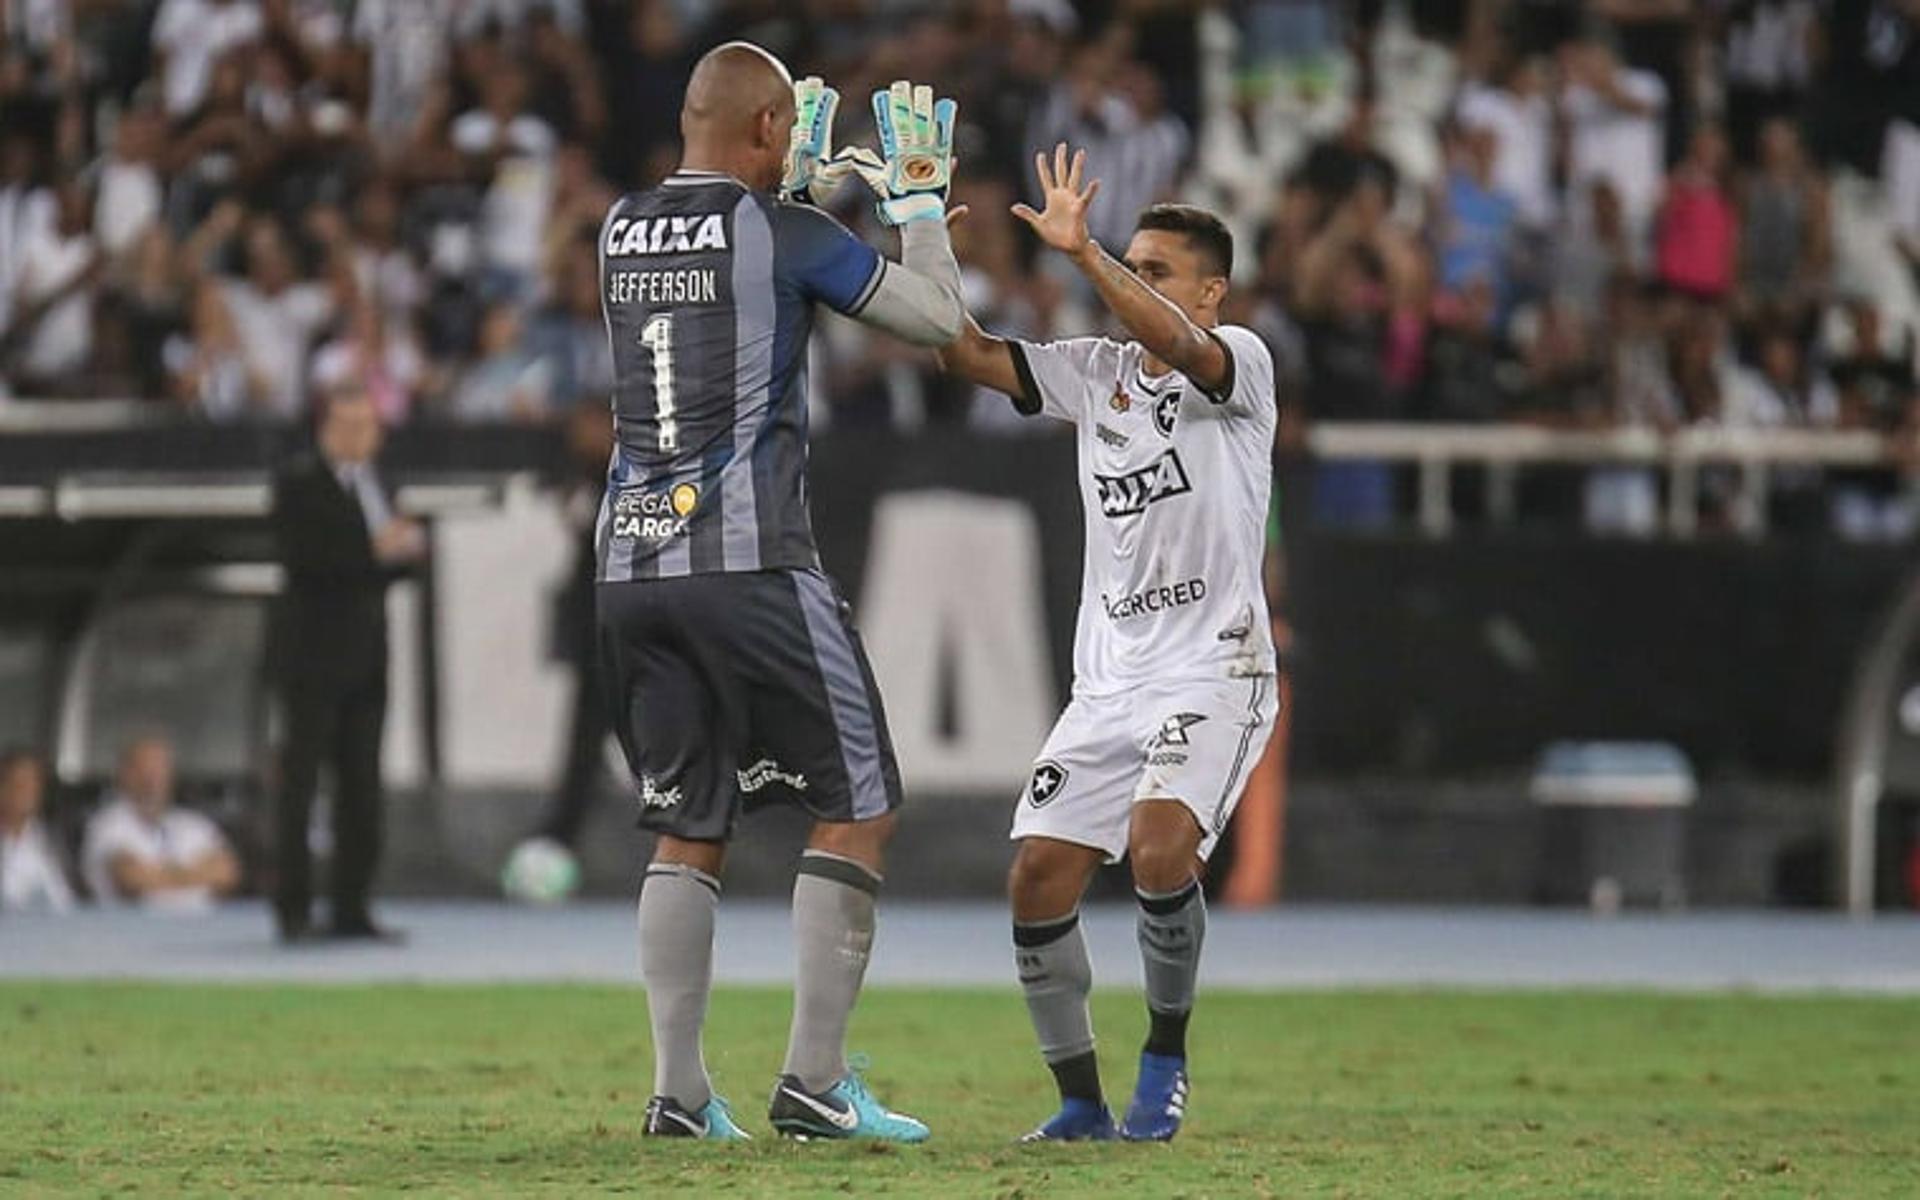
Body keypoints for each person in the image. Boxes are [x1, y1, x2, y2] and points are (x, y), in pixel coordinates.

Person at [596, 48, 964, 1142]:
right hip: (748, 564)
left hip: (630, 561)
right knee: (858, 805)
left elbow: (719, 284)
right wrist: (920, 206)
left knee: (687, 824)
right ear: (767, 124)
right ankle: (813, 1079)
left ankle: (679, 1094)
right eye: (787, 129)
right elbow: (937, 320)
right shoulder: (784, 232)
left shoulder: (619, 226)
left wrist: (790, 184)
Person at [933, 149, 1278, 1141]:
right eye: (1131, 264)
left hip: (1217, 667)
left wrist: (1084, 258)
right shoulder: (1097, 378)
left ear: (1213, 291)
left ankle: (1165, 1054)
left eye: (1155, 269)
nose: (1136, 281)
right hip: (1110, 680)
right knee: (1038, 872)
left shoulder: (1242, 366)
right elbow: (963, 353)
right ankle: (1079, 1103)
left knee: (1160, 845)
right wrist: (923, 235)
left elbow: (1177, 340)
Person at [270, 382, 424, 943]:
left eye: (366, 426)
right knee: (302, 785)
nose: (358, 437)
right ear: (324, 429)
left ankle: (351, 906)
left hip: (367, 657)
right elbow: (308, 559)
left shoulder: (381, 483)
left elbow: (396, 564)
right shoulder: (299, 483)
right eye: (346, 426)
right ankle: (292, 909)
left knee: (363, 787)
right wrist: (377, 551)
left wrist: (404, 551)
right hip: (311, 656)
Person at [81, 735, 240, 911]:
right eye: (143, 768)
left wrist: (161, 876)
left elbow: (227, 874)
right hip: (131, 932)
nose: (152, 779)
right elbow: (132, 880)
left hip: (200, 930)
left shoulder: (193, 823)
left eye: (159, 767)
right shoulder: (107, 824)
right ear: (124, 774)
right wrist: (197, 874)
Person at [0, 749, 74, 913]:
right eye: (19, 784)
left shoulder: (47, 837)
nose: (27, 792)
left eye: (33, 784)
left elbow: (63, 900)